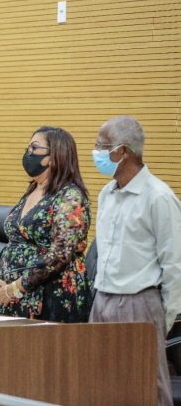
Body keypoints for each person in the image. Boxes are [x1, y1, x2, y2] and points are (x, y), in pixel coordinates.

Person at [89, 115, 181, 406]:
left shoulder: (158, 197)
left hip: (138, 302)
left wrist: (163, 318)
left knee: (146, 385)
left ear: (123, 151)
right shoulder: (106, 194)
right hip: (102, 298)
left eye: (102, 145)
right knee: (99, 383)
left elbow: (175, 263)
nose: (96, 152)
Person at [0, 126, 91, 322]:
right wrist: (3, 279)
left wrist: (18, 286)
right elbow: (15, 241)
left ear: (54, 156)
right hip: (15, 297)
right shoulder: (33, 190)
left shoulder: (70, 196)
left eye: (34, 148)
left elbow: (61, 254)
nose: (28, 153)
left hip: (52, 297)